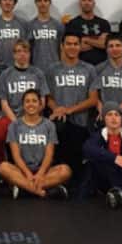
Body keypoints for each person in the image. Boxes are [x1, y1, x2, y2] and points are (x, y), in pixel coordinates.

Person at [0, 89, 71, 199]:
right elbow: (16, 156)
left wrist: (40, 174)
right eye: (27, 101)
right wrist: (28, 174)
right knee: (3, 167)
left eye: (34, 101)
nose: (30, 104)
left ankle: (24, 189)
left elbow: (49, 154)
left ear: (40, 105)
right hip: (22, 171)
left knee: (65, 170)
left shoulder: (49, 125)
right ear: (23, 105)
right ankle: (42, 191)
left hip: (44, 171)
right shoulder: (14, 126)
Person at [46, 31, 98, 182]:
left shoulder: (89, 69)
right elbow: (47, 97)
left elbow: (93, 99)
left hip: (81, 124)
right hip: (58, 124)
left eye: (75, 44)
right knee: (58, 162)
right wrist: (57, 109)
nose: (72, 47)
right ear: (62, 46)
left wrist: (69, 110)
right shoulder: (52, 69)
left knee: (76, 167)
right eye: (68, 44)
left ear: (80, 46)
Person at [0, 40, 50, 166]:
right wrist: (16, 122)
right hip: (10, 116)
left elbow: (42, 101)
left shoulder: (38, 73)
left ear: (30, 54)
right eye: (18, 51)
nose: (22, 54)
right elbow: (3, 102)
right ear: (13, 55)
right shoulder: (5, 74)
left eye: (25, 51)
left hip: (33, 116)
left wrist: (29, 120)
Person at [93, 34, 122, 127]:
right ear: (106, 49)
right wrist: (104, 112)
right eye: (111, 46)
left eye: (118, 45)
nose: (114, 49)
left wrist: (112, 112)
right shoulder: (98, 69)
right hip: (104, 118)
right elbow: (95, 97)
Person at [65, 0, 111, 66]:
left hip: (102, 66)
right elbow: (73, 48)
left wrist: (85, 39)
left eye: (89, 0)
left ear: (94, 3)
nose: (87, 3)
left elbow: (104, 44)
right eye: (84, 0)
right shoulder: (72, 24)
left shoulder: (104, 23)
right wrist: (97, 42)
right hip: (79, 67)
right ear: (80, 4)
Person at [29, 0, 64, 70]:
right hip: (36, 69)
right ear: (35, 3)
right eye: (39, 1)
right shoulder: (30, 25)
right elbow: (27, 50)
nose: (42, 4)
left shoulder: (58, 25)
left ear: (50, 2)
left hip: (55, 69)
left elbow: (62, 49)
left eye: (45, 0)